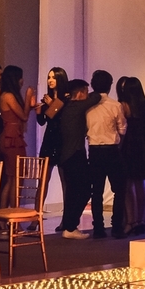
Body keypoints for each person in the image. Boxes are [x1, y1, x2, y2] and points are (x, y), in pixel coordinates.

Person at [55, 79, 102, 239]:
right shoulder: (77, 106)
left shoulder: (67, 107)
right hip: (75, 154)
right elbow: (96, 97)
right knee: (84, 190)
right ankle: (70, 226)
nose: (88, 95)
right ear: (80, 93)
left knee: (73, 192)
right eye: (86, 91)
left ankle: (69, 226)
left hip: (67, 155)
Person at [86, 70, 127, 239]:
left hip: (94, 151)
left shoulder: (87, 106)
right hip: (112, 150)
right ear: (110, 85)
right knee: (119, 189)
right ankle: (117, 227)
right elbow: (122, 129)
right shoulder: (115, 105)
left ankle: (98, 228)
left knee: (96, 191)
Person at [118, 77, 145, 236]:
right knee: (140, 184)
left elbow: (121, 128)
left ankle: (130, 221)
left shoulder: (123, 106)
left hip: (128, 145)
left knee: (128, 185)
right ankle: (140, 220)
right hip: (143, 145)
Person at [0, 65, 36, 211]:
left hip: (11, 137)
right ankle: (13, 215)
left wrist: (29, 105)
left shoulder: (5, 95)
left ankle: (3, 216)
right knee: (16, 178)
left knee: (11, 179)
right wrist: (27, 97)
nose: (22, 81)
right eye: (20, 78)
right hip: (12, 139)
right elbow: (24, 116)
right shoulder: (8, 96)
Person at [36, 67, 69, 229]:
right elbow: (43, 121)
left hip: (62, 141)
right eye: (49, 77)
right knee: (42, 181)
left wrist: (52, 105)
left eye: (54, 77)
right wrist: (38, 111)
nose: (50, 80)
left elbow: (62, 119)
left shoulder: (67, 98)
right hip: (49, 141)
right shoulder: (47, 98)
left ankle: (66, 219)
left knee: (65, 182)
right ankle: (36, 217)